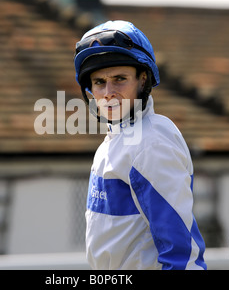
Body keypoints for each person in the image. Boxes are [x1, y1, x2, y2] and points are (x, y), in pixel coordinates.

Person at [73, 20, 207, 270]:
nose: (108, 92)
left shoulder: (151, 142)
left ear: (143, 80)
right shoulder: (114, 141)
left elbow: (182, 254)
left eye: (120, 79)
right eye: (99, 82)